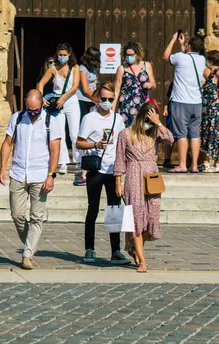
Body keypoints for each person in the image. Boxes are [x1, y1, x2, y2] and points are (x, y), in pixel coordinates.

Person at [0, 90, 62, 270]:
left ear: (42, 104)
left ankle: (27, 253)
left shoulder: (51, 122)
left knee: (36, 217)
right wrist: (3, 167)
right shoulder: (18, 118)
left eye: (36, 110)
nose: (32, 113)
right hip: (18, 173)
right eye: (29, 110)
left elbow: (55, 151)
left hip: (40, 175)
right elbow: (7, 143)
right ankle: (31, 242)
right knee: (17, 214)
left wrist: (51, 175)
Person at [114, 101, 174, 273]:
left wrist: (158, 123)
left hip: (152, 177)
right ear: (140, 117)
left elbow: (170, 139)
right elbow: (119, 160)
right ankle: (141, 259)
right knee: (135, 219)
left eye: (152, 118)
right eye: (147, 118)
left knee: (152, 219)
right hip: (133, 176)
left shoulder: (155, 133)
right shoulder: (125, 134)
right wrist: (118, 182)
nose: (148, 123)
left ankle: (134, 246)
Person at [76, 82, 130, 265]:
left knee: (114, 210)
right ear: (97, 99)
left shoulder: (118, 119)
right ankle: (89, 249)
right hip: (95, 169)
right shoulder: (89, 118)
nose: (106, 102)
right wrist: (95, 145)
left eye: (110, 99)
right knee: (93, 209)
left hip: (113, 170)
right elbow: (79, 142)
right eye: (103, 99)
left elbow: (122, 144)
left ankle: (116, 251)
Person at [162, 33, 205, 173]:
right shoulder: (202, 60)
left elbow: (165, 56)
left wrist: (173, 40)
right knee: (194, 135)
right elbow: (188, 58)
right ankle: (193, 165)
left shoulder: (180, 57)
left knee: (181, 134)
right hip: (196, 102)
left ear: (189, 46)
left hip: (181, 101)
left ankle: (182, 165)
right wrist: (183, 46)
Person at [37, 43, 81, 175]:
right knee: (60, 133)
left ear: (69, 55)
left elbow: (75, 86)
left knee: (74, 132)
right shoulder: (53, 68)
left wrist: (64, 97)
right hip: (57, 101)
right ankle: (62, 162)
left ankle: (79, 161)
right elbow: (41, 83)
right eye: (60, 55)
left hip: (71, 100)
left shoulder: (75, 67)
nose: (62, 57)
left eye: (64, 55)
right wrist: (41, 98)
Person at [74, 47, 101, 186]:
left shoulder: (92, 69)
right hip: (83, 101)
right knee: (83, 131)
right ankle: (79, 162)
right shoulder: (83, 69)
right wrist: (96, 99)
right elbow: (85, 89)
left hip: (91, 100)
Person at [114, 42, 157, 127]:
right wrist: (112, 110)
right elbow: (116, 90)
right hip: (126, 107)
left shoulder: (146, 65)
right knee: (126, 132)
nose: (129, 57)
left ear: (138, 54)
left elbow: (154, 83)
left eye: (131, 55)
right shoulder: (122, 68)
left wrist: (150, 84)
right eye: (127, 55)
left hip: (143, 106)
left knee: (144, 131)